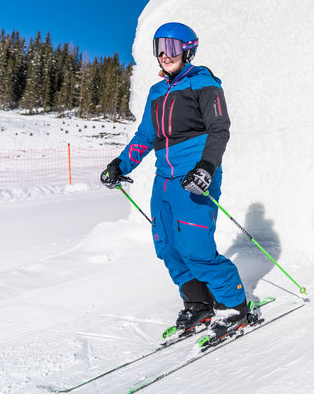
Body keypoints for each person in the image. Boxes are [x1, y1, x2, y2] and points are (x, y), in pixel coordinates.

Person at [100, 22, 247, 339]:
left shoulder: (204, 84)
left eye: (173, 46)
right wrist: (119, 163)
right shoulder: (156, 92)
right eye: (160, 47)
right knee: (167, 246)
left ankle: (234, 305)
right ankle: (198, 303)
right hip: (163, 180)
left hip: (194, 176)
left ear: (188, 49)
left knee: (195, 247)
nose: (165, 54)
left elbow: (219, 128)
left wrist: (206, 167)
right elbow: (144, 137)